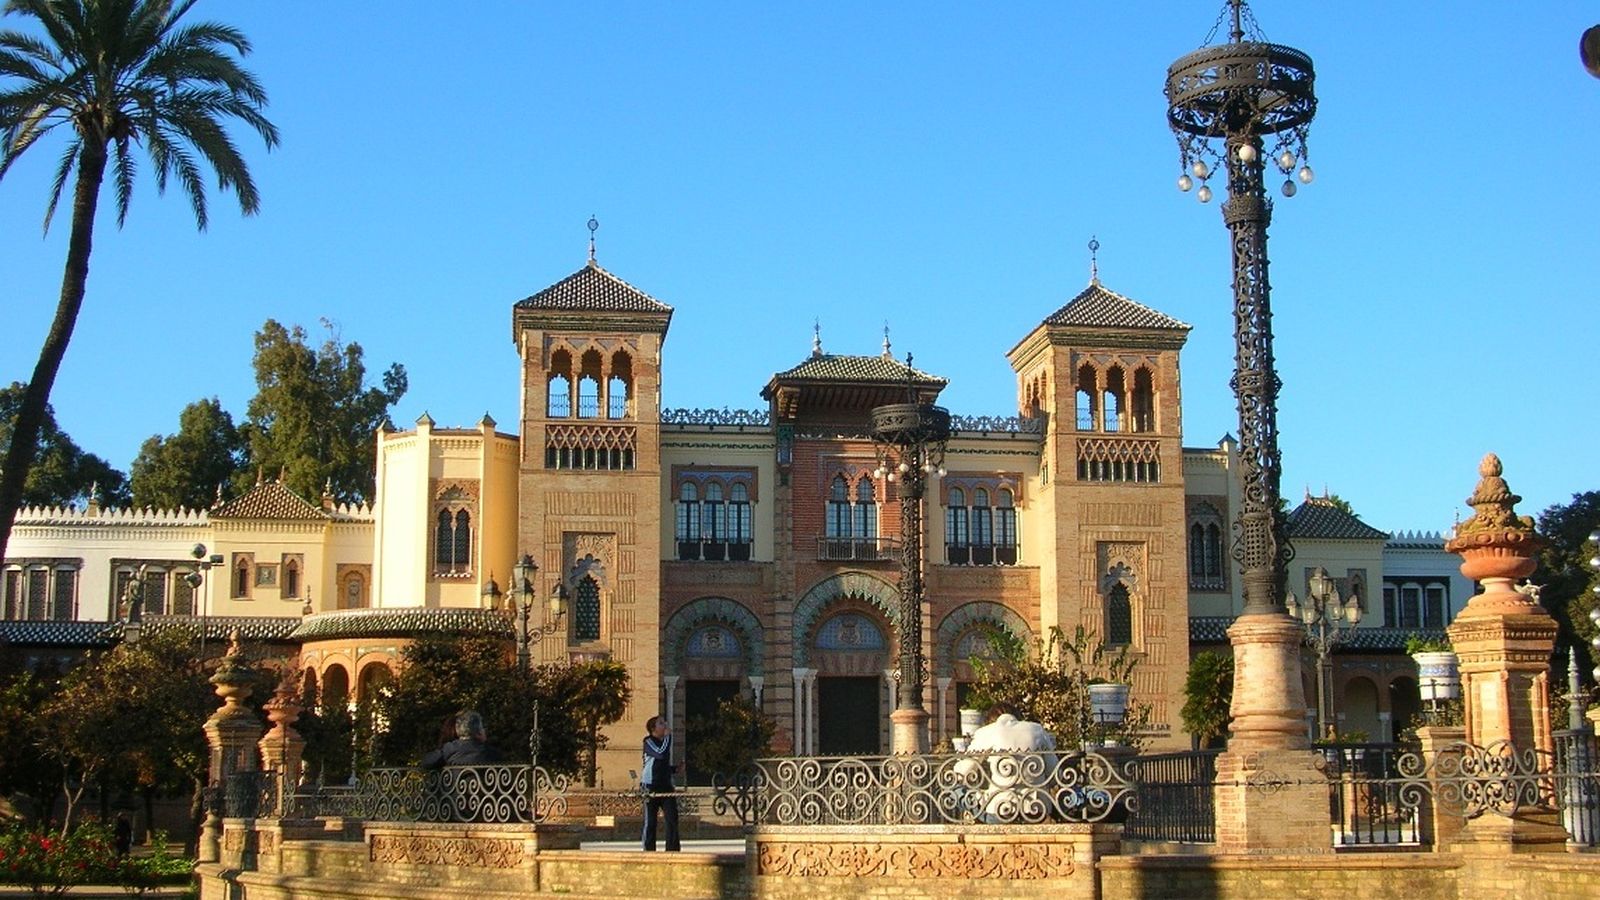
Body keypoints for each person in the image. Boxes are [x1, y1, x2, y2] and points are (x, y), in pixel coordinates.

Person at [963, 704, 1056, 823]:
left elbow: (962, 771)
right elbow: (1054, 773)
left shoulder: (987, 732)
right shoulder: (1037, 729)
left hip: (999, 809)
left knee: (956, 791)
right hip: (1036, 809)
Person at [640, 715, 680, 852]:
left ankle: (673, 850)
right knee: (651, 821)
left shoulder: (663, 743)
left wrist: (675, 769)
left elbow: (662, 765)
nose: (665, 726)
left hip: (666, 785)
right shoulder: (648, 741)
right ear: (653, 728)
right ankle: (648, 850)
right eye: (661, 724)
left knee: (672, 819)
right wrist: (668, 737)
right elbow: (660, 753)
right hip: (650, 786)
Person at [421, 710, 501, 769]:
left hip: (454, 791)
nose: (485, 731)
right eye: (483, 728)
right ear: (478, 733)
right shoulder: (491, 753)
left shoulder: (449, 749)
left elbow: (427, 762)